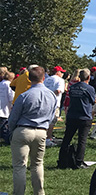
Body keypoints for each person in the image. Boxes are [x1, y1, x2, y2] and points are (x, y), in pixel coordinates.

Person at [8, 65, 57, 195]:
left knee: (20, 166)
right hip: (41, 131)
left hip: (23, 130)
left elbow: (13, 118)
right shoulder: (51, 95)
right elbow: (52, 116)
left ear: (29, 78)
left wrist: (11, 131)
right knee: (37, 164)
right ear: (44, 77)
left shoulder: (24, 95)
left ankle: (18, 193)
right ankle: (39, 192)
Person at [58, 68, 96, 169]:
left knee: (67, 139)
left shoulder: (73, 87)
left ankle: (61, 161)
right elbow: (93, 101)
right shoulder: (89, 88)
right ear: (88, 77)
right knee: (82, 140)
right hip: (84, 116)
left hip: (72, 115)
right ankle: (79, 162)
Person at [43, 65, 65, 147]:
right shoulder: (60, 80)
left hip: (45, 102)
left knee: (45, 120)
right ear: (58, 72)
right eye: (61, 72)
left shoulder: (47, 79)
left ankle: (44, 137)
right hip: (54, 103)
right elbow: (58, 91)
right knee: (52, 121)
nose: (62, 74)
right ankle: (48, 138)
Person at [0, 67, 15, 142]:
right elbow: (11, 97)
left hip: (1, 106)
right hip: (5, 108)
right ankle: (7, 139)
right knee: (5, 125)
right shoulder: (9, 85)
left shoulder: (0, 84)